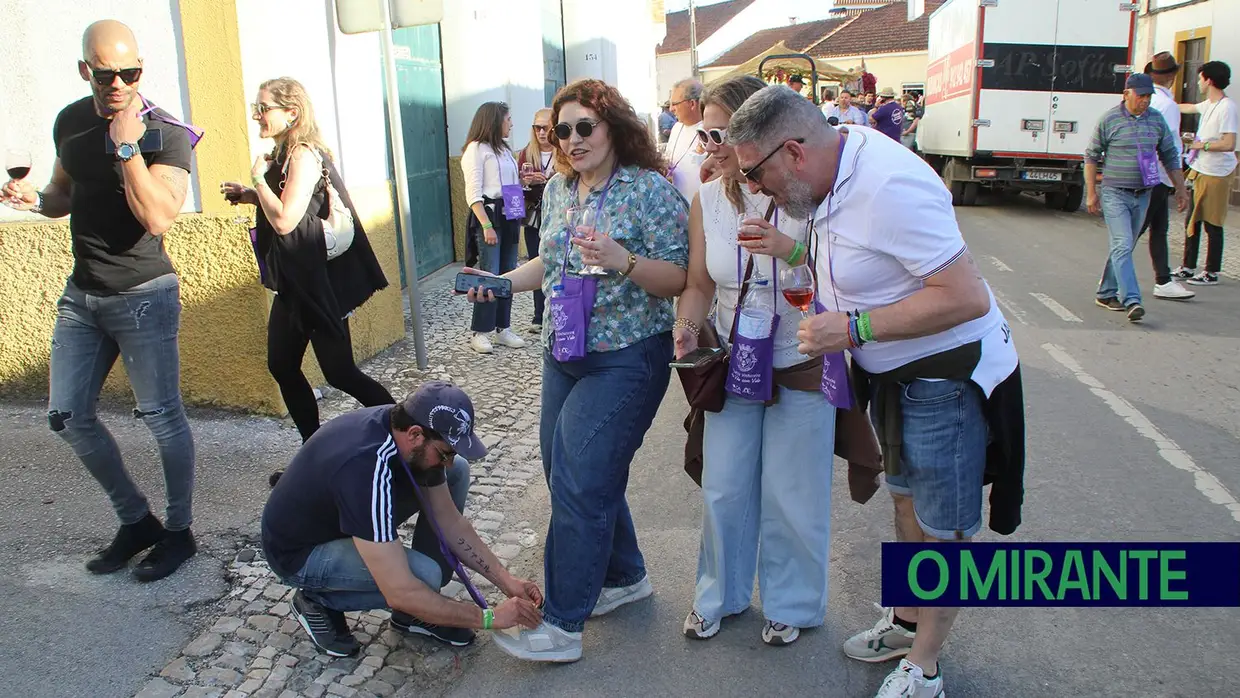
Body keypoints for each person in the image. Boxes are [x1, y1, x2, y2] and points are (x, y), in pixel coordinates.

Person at [728, 85, 1026, 698]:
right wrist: (789, 248)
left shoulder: (888, 186)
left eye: (756, 174)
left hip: (946, 372)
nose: (757, 189)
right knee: (905, 504)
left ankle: (927, 665)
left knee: (944, 525)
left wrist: (855, 327)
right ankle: (908, 622)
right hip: (891, 374)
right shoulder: (833, 168)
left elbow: (964, 296)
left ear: (793, 152)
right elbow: (849, 251)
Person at [462, 78, 689, 662]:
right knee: (570, 469)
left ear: (614, 125)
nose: (572, 138)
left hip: (626, 357)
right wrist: (501, 283)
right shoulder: (562, 190)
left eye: (585, 126)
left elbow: (681, 279)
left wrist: (625, 260)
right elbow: (549, 261)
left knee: (580, 478)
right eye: (563, 130)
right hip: (564, 351)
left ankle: (562, 624)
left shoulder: (649, 192)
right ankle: (624, 577)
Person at [1, 20, 198, 582]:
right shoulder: (69, 120)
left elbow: (159, 215)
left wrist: (128, 146)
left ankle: (180, 532)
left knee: (162, 418)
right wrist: (35, 199)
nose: (117, 84)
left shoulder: (166, 133)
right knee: (67, 416)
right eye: (106, 73)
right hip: (82, 295)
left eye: (129, 73)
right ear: (86, 70)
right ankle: (137, 521)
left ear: (141, 69)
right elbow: (64, 193)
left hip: (144, 296)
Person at [673, 75, 835, 646]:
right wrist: (688, 327)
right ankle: (719, 594)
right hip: (737, 358)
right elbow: (696, 282)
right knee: (724, 485)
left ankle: (792, 602)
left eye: (721, 132)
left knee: (793, 490)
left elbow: (844, 283)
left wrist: (789, 250)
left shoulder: (805, 193)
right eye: (705, 133)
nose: (711, 144)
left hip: (801, 356)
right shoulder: (708, 199)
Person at [261, 382, 544, 656]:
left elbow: (450, 522)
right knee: (423, 577)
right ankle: (316, 599)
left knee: (456, 472)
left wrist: (507, 581)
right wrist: (489, 617)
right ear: (416, 435)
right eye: (444, 452)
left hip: (339, 515)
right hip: (300, 552)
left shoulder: (406, 430)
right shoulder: (366, 469)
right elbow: (400, 591)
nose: (446, 460)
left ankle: (423, 609)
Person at [221, 77, 393, 447]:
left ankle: (403, 433)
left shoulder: (302, 153)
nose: (257, 116)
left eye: (263, 108)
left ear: (292, 112)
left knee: (340, 373)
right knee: (281, 365)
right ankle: (313, 451)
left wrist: (256, 178)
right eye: (257, 109)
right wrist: (252, 195)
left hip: (318, 284)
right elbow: (295, 210)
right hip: (295, 280)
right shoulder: (284, 153)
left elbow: (284, 220)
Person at [1086, 73, 1189, 322]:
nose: (1145, 101)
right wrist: (1091, 193)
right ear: (1127, 94)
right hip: (1115, 193)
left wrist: (1181, 188)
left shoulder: (1156, 119)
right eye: (1140, 95)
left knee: (1125, 245)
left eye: (1148, 96)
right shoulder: (1109, 119)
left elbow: (1169, 154)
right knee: (1122, 244)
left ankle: (1105, 292)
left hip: (1143, 193)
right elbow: (1091, 156)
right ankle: (1132, 299)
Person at [462, 102, 528, 353]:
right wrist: (486, 226)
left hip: (510, 214)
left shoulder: (503, 149)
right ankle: (480, 331)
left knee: (508, 272)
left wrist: (523, 182)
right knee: (489, 273)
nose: (511, 123)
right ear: (494, 121)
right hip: (490, 216)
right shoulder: (476, 149)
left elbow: (508, 185)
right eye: (508, 119)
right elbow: (474, 192)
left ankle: (503, 328)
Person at [1137, 53, 1195, 301]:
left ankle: (1163, 279)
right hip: (1158, 176)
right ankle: (1111, 278)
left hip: (1145, 173)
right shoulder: (1168, 106)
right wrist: (1179, 184)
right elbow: (1169, 147)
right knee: (1139, 230)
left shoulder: (1147, 102)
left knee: (1157, 228)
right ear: (1172, 76)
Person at [1174, 60, 1237, 287]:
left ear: (1209, 80)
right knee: (1192, 219)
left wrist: (1204, 146)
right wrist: (1162, 103)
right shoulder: (1209, 104)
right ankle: (1188, 266)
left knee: (1212, 222)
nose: (1198, 82)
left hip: (1217, 172)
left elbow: (1229, 143)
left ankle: (1211, 271)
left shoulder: (1227, 107)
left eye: (1200, 78)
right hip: (1201, 170)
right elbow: (1189, 107)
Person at [517, 108, 555, 331]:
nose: (541, 132)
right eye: (537, 128)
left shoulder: (563, 152)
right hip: (534, 215)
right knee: (535, 261)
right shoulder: (526, 153)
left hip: (556, 215)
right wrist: (525, 181)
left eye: (545, 127)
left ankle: (555, 309)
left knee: (556, 262)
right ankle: (539, 315)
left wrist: (549, 178)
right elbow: (517, 184)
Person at [665, 78, 709, 203]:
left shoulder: (709, 129)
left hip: (701, 205)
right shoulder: (676, 127)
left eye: (675, 104)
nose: (671, 109)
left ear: (692, 104)